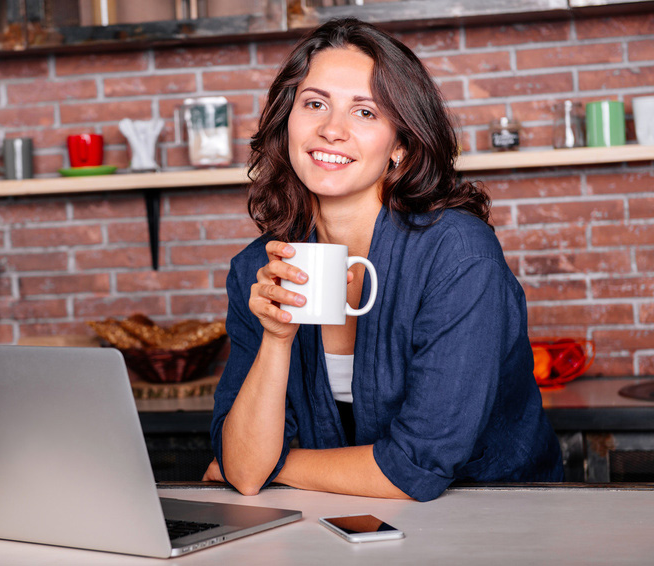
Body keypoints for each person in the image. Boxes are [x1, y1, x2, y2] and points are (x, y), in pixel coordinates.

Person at [203, 18, 564, 502]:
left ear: (401, 144)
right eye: (314, 104)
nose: (332, 129)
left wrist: (281, 464)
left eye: (365, 112)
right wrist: (276, 338)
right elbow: (245, 472)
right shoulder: (258, 269)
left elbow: (417, 465)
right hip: (342, 528)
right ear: (287, 122)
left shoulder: (457, 256)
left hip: (499, 524)